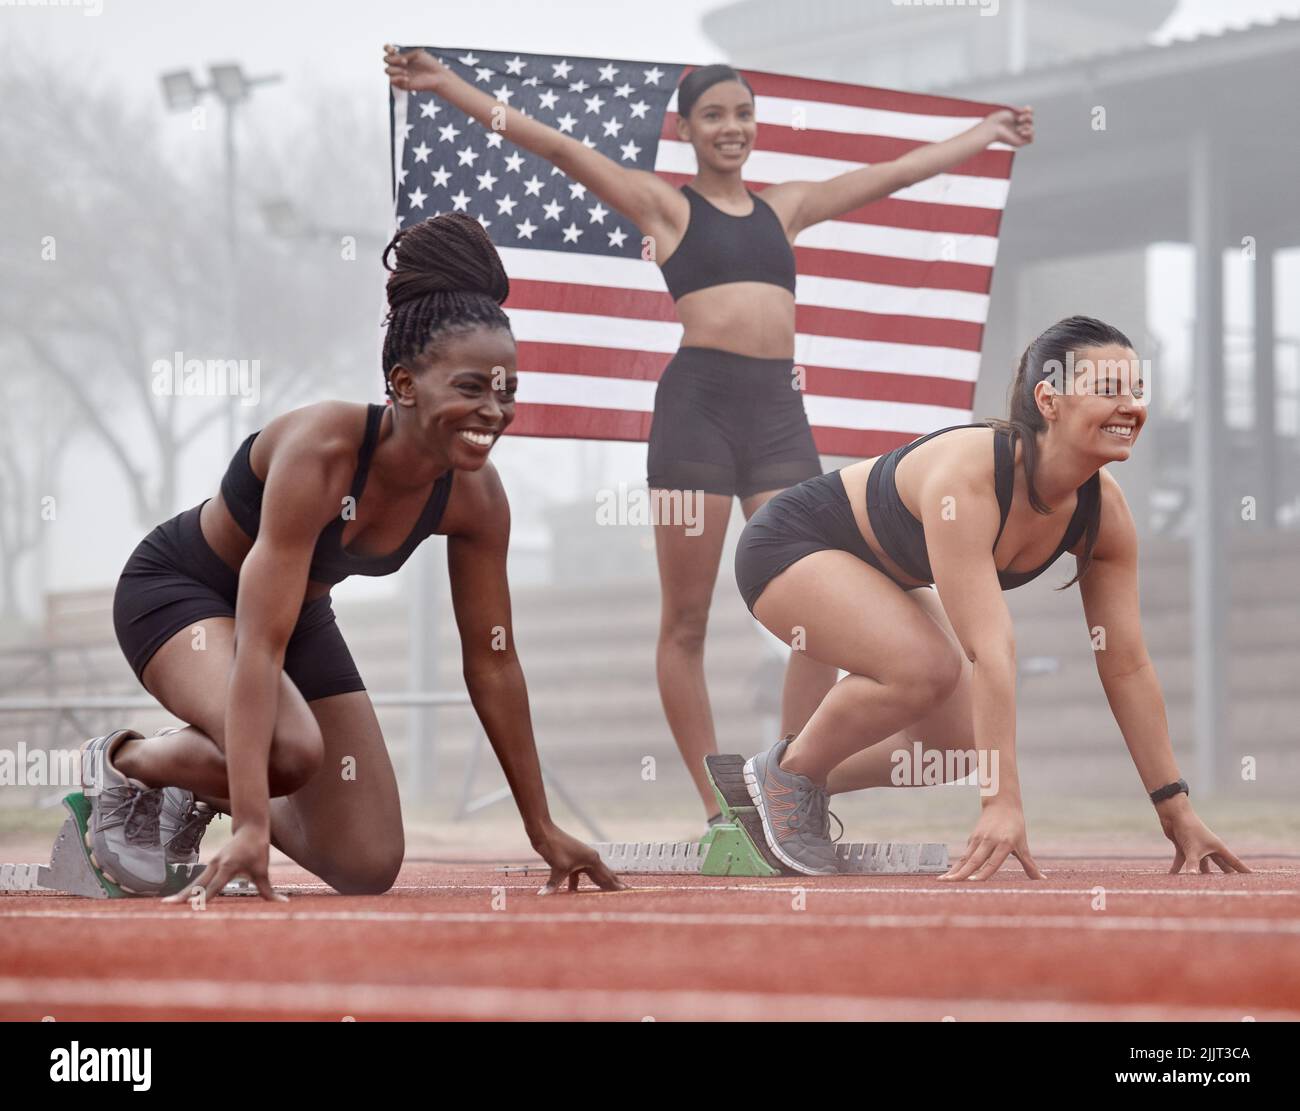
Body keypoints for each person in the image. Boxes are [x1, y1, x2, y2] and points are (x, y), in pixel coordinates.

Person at [384, 48, 1034, 824]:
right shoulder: (666, 207)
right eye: (716, 115)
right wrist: (444, 84)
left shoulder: (784, 207)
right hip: (698, 408)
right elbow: (556, 146)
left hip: (777, 412)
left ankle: (790, 785)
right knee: (685, 620)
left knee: (822, 598)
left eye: (743, 114)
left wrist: (985, 132)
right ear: (687, 128)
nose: (733, 127)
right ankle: (719, 810)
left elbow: (892, 173)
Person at [95, 212, 623, 901]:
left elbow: (493, 660)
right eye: (470, 387)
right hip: (181, 593)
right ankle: (131, 763)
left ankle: (206, 782)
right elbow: (258, 643)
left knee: (366, 861)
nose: (494, 409)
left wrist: (541, 825)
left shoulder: (477, 500)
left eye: (507, 389)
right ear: (404, 385)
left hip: (297, 616)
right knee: (291, 751)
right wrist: (253, 825)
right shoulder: (321, 451)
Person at [732, 315, 1251, 878]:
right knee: (924, 668)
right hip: (789, 545)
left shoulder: (1105, 515)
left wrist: (1175, 807)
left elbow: (1125, 664)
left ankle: (788, 779)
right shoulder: (972, 474)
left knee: (958, 744)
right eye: (1108, 390)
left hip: (879, 574)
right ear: (1049, 400)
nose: (1131, 407)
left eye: (1137, 391)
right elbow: (991, 648)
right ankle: (786, 780)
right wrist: (1000, 803)